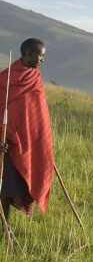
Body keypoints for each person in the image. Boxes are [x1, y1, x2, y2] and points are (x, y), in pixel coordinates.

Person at [0, 38, 54, 221]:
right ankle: (4, 227)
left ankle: (5, 228)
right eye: (40, 55)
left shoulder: (35, 78)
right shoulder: (5, 79)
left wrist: (41, 141)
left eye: (43, 56)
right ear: (28, 53)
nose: (42, 60)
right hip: (7, 142)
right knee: (4, 188)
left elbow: (37, 114)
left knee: (14, 187)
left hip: (28, 142)